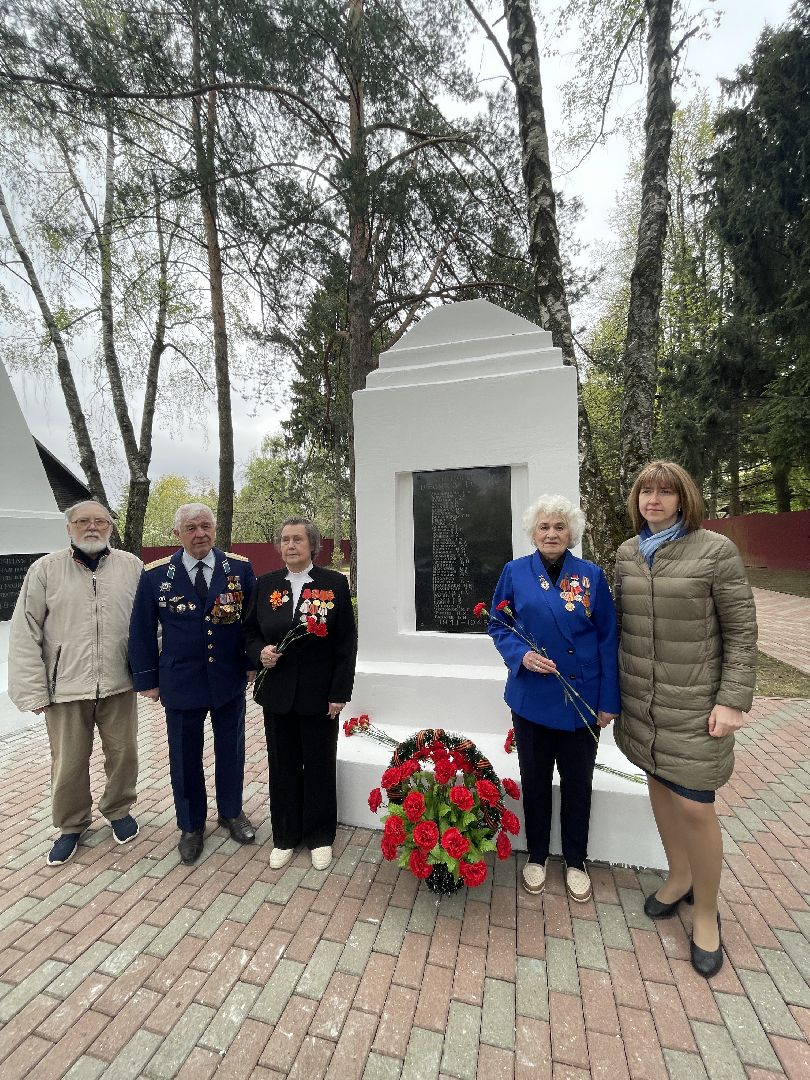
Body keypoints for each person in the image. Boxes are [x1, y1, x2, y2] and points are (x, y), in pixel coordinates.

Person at [615, 461, 757, 979]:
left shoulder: (714, 552)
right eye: (646, 491)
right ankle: (678, 877)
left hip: (696, 707)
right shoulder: (627, 555)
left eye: (665, 492)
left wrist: (732, 700)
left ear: (683, 499)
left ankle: (706, 914)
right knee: (658, 787)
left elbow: (741, 631)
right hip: (642, 706)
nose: (654, 500)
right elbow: (619, 627)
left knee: (695, 806)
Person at [488, 495, 620, 903]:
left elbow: (606, 639)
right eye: (544, 527)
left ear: (571, 533)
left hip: (581, 699)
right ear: (533, 533)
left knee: (580, 783)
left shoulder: (591, 576)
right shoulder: (515, 572)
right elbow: (499, 624)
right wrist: (520, 655)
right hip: (532, 698)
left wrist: (608, 700)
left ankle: (576, 860)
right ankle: (539, 854)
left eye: (559, 527)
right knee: (536, 780)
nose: (551, 534)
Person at [8, 501, 143, 866]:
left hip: (119, 683)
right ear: (69, 528)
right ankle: (71, 824)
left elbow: (150, 626)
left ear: (110, 528)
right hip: (64, 687)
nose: (92, 527)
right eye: (83, 521)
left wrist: (150, 674)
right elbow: (25, 632)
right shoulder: (45, 570)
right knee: (68, 761)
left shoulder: (132, 567)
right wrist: (33, 689)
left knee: (124, 754)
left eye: (100, 521)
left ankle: (118, 809)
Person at [128, 503, 257, 865]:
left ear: (215, 529)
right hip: (180, 681)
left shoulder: (240, 569)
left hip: (227, 678)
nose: (200, 533)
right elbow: (139, 630)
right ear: (177, 534)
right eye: (191, 528)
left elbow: (251, 621)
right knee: (184, 757)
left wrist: (250, 664)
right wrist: (147, 680)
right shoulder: (156, 576)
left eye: (205, 526)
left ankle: (231, 813)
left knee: (231, 750)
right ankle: (190, 825)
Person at [243, 517, 357, 871]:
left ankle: (320, 836)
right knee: (283, 765)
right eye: (285, 540)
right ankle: (285, 835)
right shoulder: (265, 585)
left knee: (319, 764)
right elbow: (248, 634)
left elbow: (345, 643)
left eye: (297, 540)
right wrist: (260, 652)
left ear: (312, 545)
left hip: (319, 695)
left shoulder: (334, 584)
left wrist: (339, 693)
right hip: (278, 695)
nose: (290, 545)